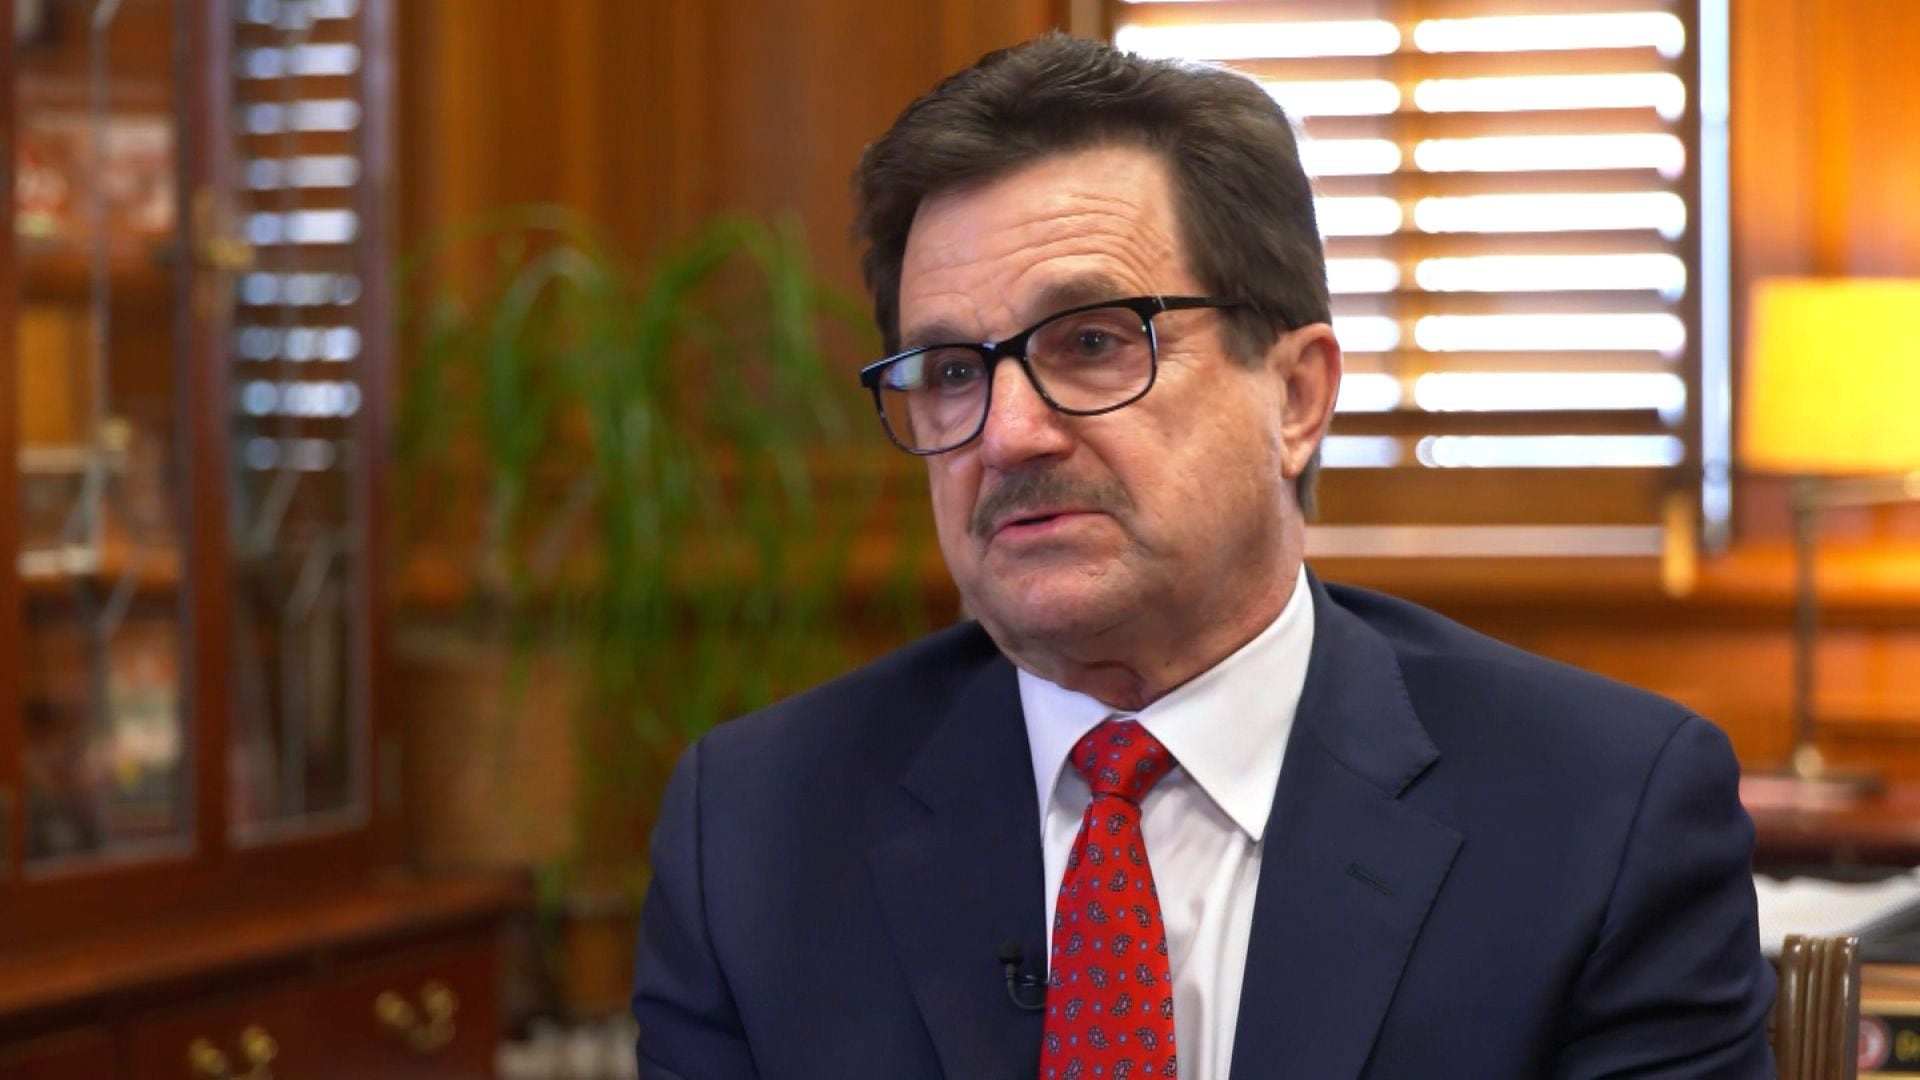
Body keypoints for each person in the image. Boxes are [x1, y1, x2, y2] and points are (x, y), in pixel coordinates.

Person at [631, 33, 1775, 1080]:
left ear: (1297, 397)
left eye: (1091, 342)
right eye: (953, 373)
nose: (1008, 433)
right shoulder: (756, 834)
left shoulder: (1601, 819)